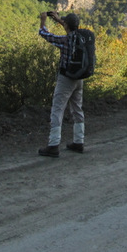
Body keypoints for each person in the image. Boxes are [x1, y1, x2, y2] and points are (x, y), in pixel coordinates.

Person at [37, 11, 86, 158]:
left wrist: (43, 21)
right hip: (79, 78)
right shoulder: (82, 38)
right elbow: (70, 29)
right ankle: (79, 141)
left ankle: (53, 145)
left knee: (57, 110)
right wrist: (60, 20)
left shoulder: (64, 41)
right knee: (77, 109)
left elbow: (45, 34)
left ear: (66, 25)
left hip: (66, 79)